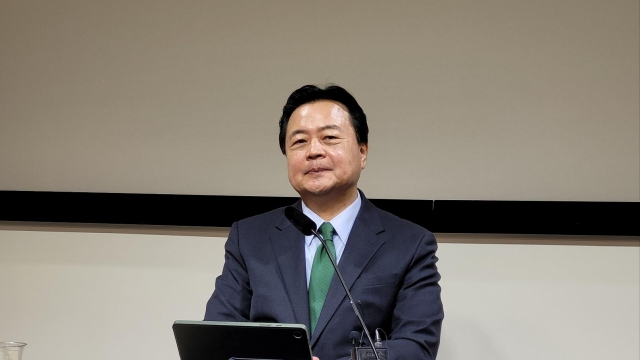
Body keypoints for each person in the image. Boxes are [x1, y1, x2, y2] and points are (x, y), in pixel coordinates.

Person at [204, 84, 444, 359]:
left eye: (329, 137)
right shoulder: (249, 238)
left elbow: (417, 346)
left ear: (363, 152)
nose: (313, 152)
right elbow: (218, 338)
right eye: (299, 141)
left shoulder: (410, 243)